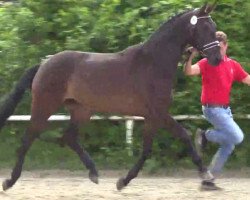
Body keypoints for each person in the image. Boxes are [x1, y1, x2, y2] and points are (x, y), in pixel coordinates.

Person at [183, 31, 250, 190]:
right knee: (237, 136)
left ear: (226, 46)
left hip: (226, 111)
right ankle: (205, 136)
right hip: (212, 109)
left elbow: (248, 79)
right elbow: (189, 71)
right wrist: (190, 57)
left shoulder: (233, 65)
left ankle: (208, 180)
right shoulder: (206, 62)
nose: (217, 51)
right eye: (214, 47)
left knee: (229, 144)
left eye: (220, 47)